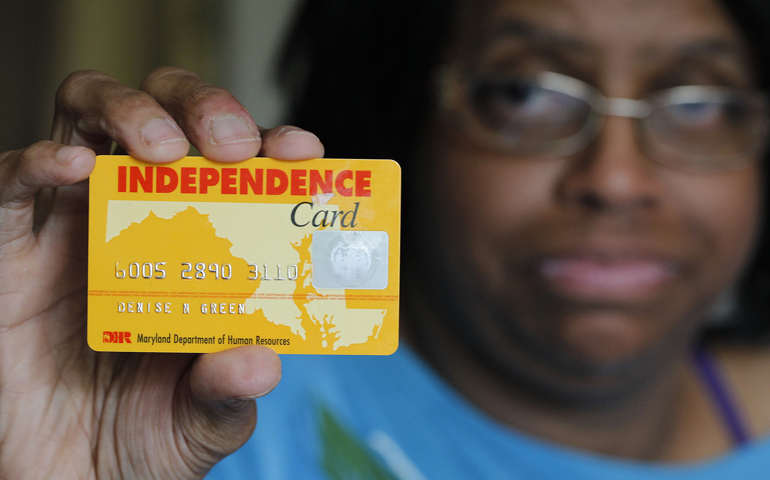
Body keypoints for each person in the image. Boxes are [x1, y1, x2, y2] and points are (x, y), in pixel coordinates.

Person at [2, 0, 770, 478]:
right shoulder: (174, 396)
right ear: (397, 123)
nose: (617, 178)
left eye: (700, 103)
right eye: (521, 93)